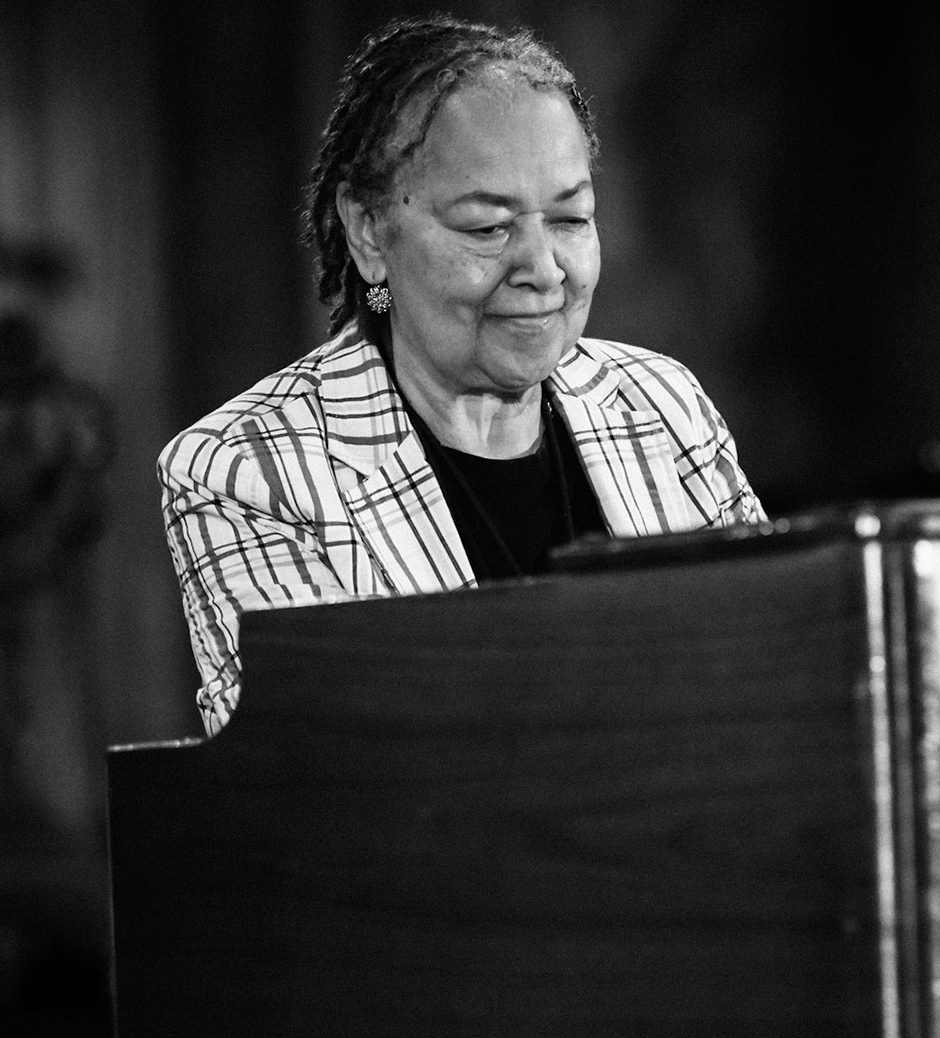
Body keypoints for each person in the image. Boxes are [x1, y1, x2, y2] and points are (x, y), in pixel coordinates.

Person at [159, 16, 763, 736]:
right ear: (367, 230)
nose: (542, 270)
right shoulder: (247, 471)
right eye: (487, 228)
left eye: (570, 219)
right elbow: (311, 777)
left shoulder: (662, 408)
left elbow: (779, 675)